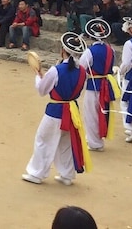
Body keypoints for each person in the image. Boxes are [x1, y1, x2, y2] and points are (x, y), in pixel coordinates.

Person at [22, 32, 90, 186]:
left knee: (44, 140)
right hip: (73, 111)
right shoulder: (83, 72)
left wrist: (38, 76)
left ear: (63, 50)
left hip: (56, 111)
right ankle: (67, 174)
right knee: (66, 142)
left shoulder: (56, 70)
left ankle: (37, 173)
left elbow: (42, 90)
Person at [78, 24, 120, 152]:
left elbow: (81, 67)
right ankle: (95, 139)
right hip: (105, 84)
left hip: (93, 85)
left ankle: (95, 142)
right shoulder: (110, 50)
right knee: (102, 111)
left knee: (91, 114)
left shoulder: (90, 51)